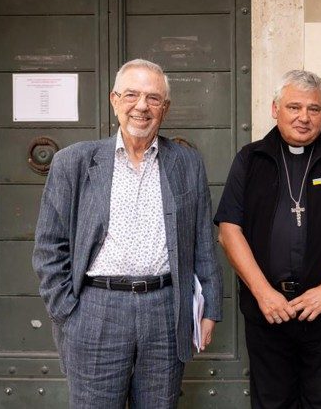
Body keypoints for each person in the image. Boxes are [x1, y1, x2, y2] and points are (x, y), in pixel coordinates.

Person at [32, 58, 223, 408]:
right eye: (132, 95)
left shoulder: (186, 162)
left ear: (164, 108)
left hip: (165, 307)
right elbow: (49, 247)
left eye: (153, 98)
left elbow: (202, 241)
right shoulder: (73, 162)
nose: (141, 106)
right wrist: (67, 312)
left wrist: (209, 306)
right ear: (114, 100)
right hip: (96, 307)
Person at [214, 69, 321, 408]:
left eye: (314, 109)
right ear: (275, 109)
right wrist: (263, 292)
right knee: (271, 402)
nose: (304, 117)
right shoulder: (250, 159)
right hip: (267, 310)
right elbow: (228, 230)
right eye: (294, 107)